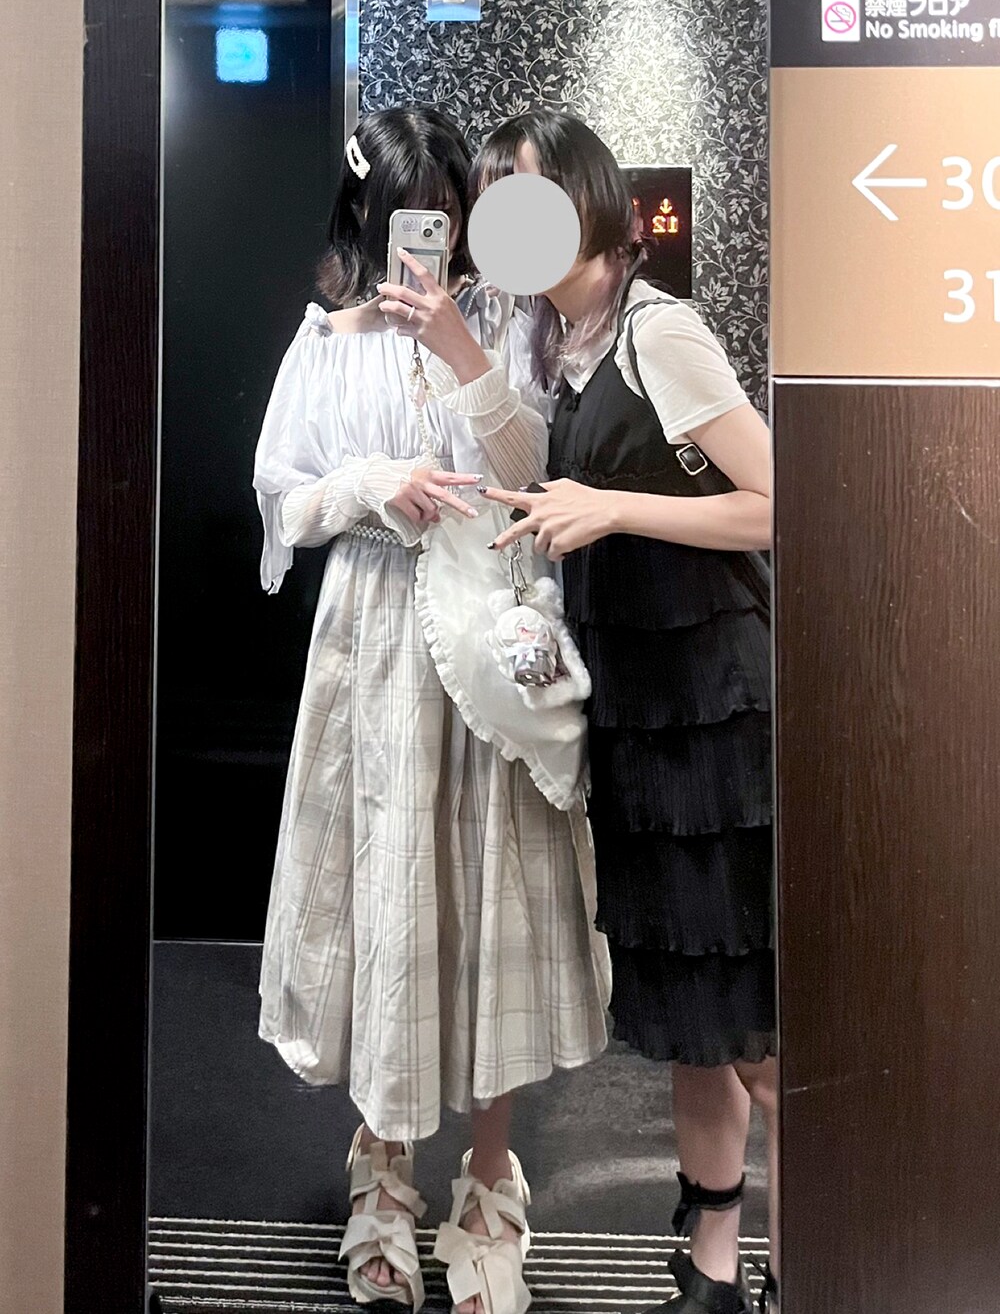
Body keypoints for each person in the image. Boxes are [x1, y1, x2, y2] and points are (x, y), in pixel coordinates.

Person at [252, 107, 610, 1314]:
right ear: (368, 217)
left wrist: (463, 350)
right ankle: (383, 1169)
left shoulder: (507, 323)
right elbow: (282, 499)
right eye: (408, 216)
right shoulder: (324, 343)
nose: (429, 239)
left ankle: (492, 1181)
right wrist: (371, 481)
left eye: (446, 216)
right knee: (388, 894)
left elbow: (531, 467)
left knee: (492, 895)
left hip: (487, 631)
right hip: (370, 641)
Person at [459, 110, 777, 1314]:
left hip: (718, 716)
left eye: (526, 193)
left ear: (587, 198)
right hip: (638, 713)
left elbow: (779, 499)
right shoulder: (563, 345)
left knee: (757, 1023)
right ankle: (710, 1271)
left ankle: (837, 1256)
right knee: (696, 1014)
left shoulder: (659, 332)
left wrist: (613, 508)